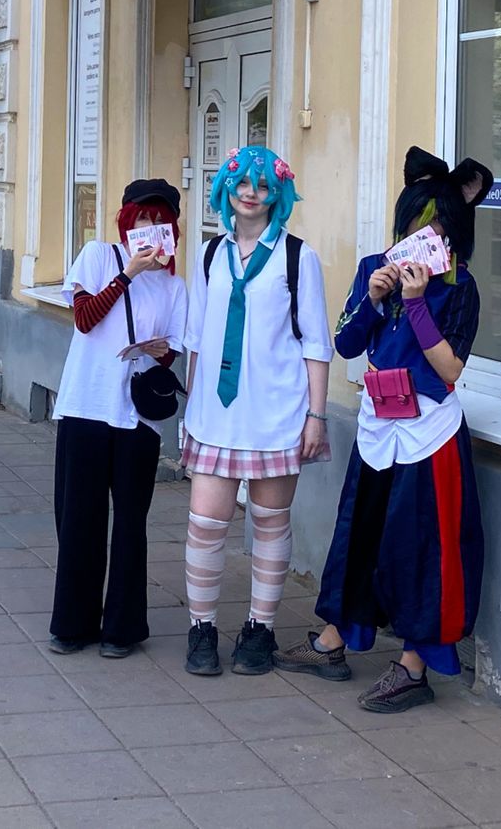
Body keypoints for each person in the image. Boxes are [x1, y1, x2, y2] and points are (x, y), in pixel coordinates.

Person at [274, 146, 493, 713]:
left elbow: (449, 371)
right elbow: (346, 343)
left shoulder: (460, 287)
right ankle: (333, 641)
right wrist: (374, 299)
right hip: (378, 425)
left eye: (438, 226)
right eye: (417, 223)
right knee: (361, 532)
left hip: (430, 434)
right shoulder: (377, 268)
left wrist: (418, 304)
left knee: (423, 548)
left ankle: (415, 665)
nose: (425, 236)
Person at [178, 146, 333, 678]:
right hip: (216, 415)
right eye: (242, 183)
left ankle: (259, 630)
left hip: (276, 412)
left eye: (263, 186)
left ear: (277, 194)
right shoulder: (207, 255)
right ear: (226, 191)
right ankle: (201, 629)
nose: (251, 193)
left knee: (269, 523)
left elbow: (316, 342)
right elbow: (196, 337)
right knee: (205, 522)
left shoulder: (298, 256)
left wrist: (317, 417)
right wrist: (190, 414)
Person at [49, 180, 188, 658]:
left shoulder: (173, 286)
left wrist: (157, 351)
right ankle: (73, 623)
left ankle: (122, 628)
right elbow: (85, 318)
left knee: (131, 522)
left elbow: (173, 352)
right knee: (79, 516)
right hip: (86, 405)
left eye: (161, 222)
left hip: (136, 416)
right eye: (143, 219)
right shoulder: (98, 255)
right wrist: (127, 274)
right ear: (127, 220)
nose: (151, 230)